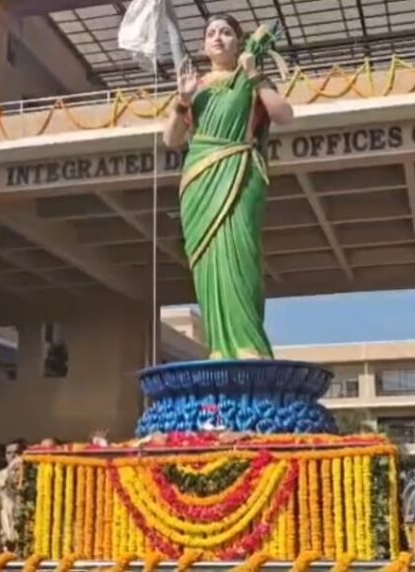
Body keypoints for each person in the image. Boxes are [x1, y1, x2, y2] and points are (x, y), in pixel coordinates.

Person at [163, 14, 294, 360]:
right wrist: (183, 99)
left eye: (225, 32)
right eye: (210, 33)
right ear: (204, 45)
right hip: (199, 180)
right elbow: (171, 139)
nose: (217, 38)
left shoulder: (250, 78)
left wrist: (253, 73)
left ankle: (249, 342)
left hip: (240, 174)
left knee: (241, 253)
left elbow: (284, 115)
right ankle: (220, 346)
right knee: (209, 262)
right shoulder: (196, 86)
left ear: (238, 40)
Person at [0, 438, 27, 550]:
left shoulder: (33, 475)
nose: (13, 456)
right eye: (9, 453)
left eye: (16, 452)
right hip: (6, 534)